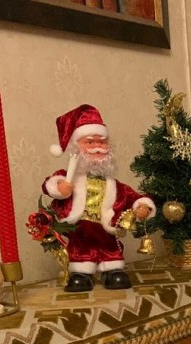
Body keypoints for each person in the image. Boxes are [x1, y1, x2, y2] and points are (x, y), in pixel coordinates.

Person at [43, 104, 155, 292]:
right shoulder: (69, 178)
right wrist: (61, 188)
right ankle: (81, 273)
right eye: (90, 142)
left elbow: (134, 197)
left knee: (110, 249)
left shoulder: (114, 185)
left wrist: (143, 206)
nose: (97, 148)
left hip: (106, 230)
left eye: (102, 142)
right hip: (80, 229)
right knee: (80, 250)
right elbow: (50, 185)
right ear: (76, 146)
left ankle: (111, 270)